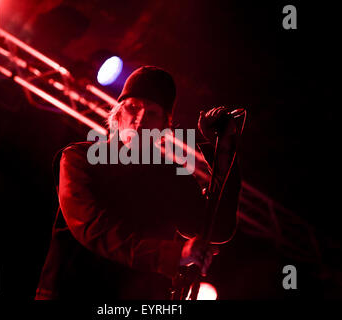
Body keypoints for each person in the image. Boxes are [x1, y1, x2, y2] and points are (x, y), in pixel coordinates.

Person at [35, 66, 241, 300]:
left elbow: (216, 228)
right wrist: (173, 255)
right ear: (118, 113)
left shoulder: (170, 174)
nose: (140, 119)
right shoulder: (78, 158)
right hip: (71, 292)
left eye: (152, 113)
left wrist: (223, 153)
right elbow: (92, 226)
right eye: (133, 107)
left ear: (165, 124)